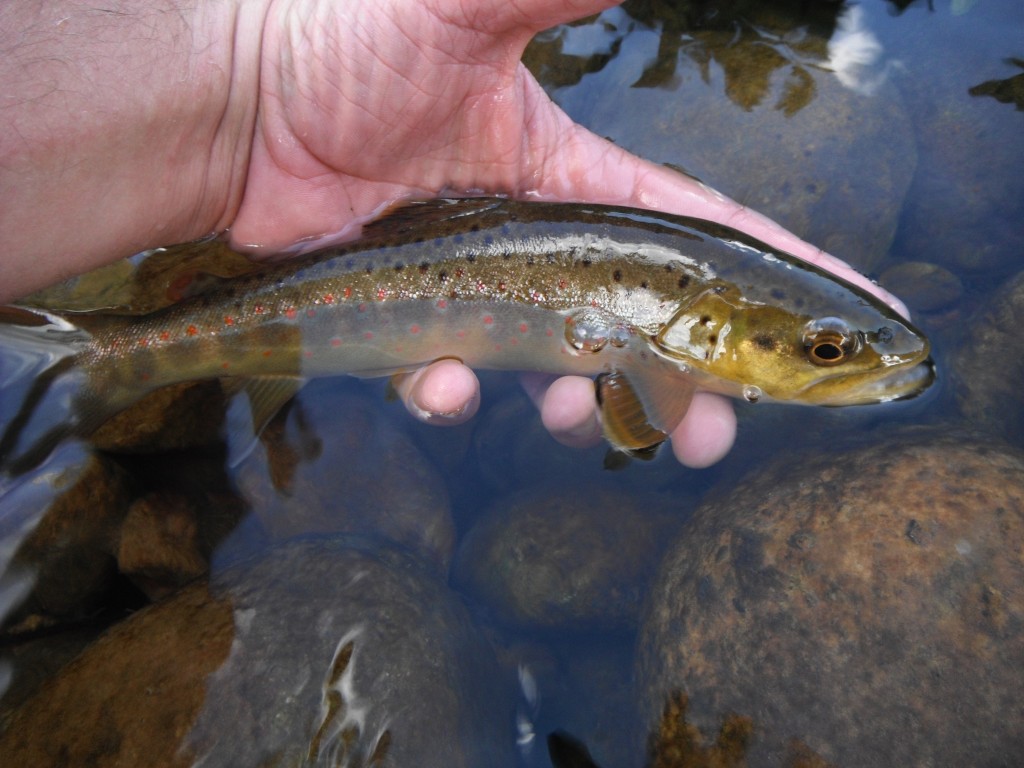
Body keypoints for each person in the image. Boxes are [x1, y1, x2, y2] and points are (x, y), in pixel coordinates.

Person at [0, 0, 907, 468]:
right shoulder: (672, 346)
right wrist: (256, 92)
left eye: (824, 349)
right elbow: (635, 426)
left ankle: (90, 360)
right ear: (715, 335)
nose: (838, 358)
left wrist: (248, 93)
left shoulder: (674, 332)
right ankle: (93, 360)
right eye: (826, 349)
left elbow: (636, 419)